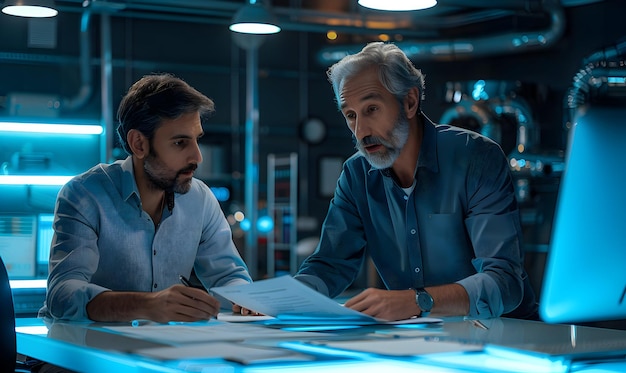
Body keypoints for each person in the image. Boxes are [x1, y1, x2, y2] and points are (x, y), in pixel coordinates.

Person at [295, 42, 538, 321]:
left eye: (371, 109)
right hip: (420, 339)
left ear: (409, 102)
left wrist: (419, 301)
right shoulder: (356, 175)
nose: (361, 131)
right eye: (351, 115)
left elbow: (504, 283)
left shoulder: (476, 159)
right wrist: (281, 300)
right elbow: (329, 265)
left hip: (508, 337)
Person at [39, 73, 253, 323]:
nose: (197, 157)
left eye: (196, 140)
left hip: (160, 349)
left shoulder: (201, 199)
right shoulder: (85, 195)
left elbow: (228, 276)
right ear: (139, 144)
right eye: (180, 143)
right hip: (80, 352)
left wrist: (246, 299)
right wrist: (146, 305)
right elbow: (62, 295)